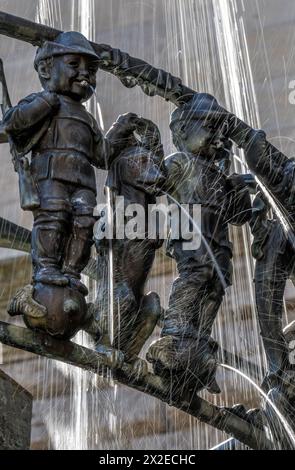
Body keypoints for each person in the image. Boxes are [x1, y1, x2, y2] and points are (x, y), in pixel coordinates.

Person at [3, 31, 137, 298]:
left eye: (90, 69)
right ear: (46, 68)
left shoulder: (86, 117)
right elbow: (11, 123)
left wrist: (120, 130)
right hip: (49, 176)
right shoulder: (44, 102)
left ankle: (73, 271)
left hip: (83, 181)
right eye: (74, 65)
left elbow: (101, 155)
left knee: (85, 222)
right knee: (53, 216)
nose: (84, 73)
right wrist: (45, 100)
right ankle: (47, 267)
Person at [147, 93, 252, 394]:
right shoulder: (179, 162)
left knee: (216, 287)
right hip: (189, 228)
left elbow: (241, 215)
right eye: (210, 128)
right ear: (182, 133)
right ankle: (174, 330)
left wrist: (235, 178)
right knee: (196, 275)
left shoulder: (219, 174)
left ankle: (198, 339)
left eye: (221, 132)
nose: (218, 138)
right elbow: (154, 180)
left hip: (218, 237)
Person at [94, 115, 165, 362]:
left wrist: (149, 129)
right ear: (123, 169)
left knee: (153, 304)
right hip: (110, 307)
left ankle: (129, 354)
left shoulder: (150, 219)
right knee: (123, 295)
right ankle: (104, 342)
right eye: (143, 162)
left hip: (136, 308)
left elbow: (160, 170)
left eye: (151, 162)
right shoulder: (112, 218)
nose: (154, 169)